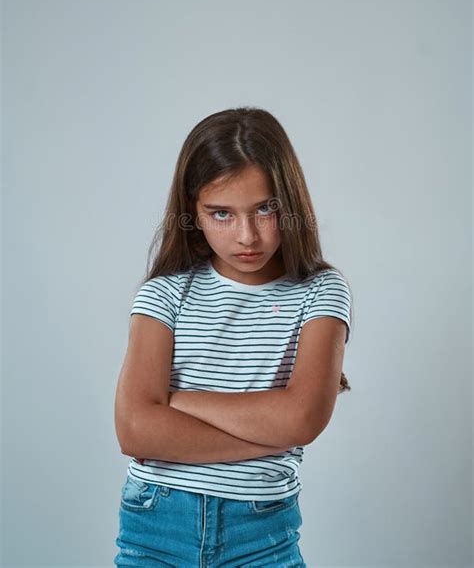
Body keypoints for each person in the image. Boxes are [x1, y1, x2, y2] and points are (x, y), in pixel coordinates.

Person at [113, 106, 354, 567]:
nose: (247, 235)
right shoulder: (166, 294)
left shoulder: (320, 292)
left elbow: (302, 419)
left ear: (292, 202)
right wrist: (271, 434)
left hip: (261, 533)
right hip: (156, 524)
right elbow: (135, 429)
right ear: (193, 213)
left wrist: (176, 401)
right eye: (221, 213)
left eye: (266, 209)